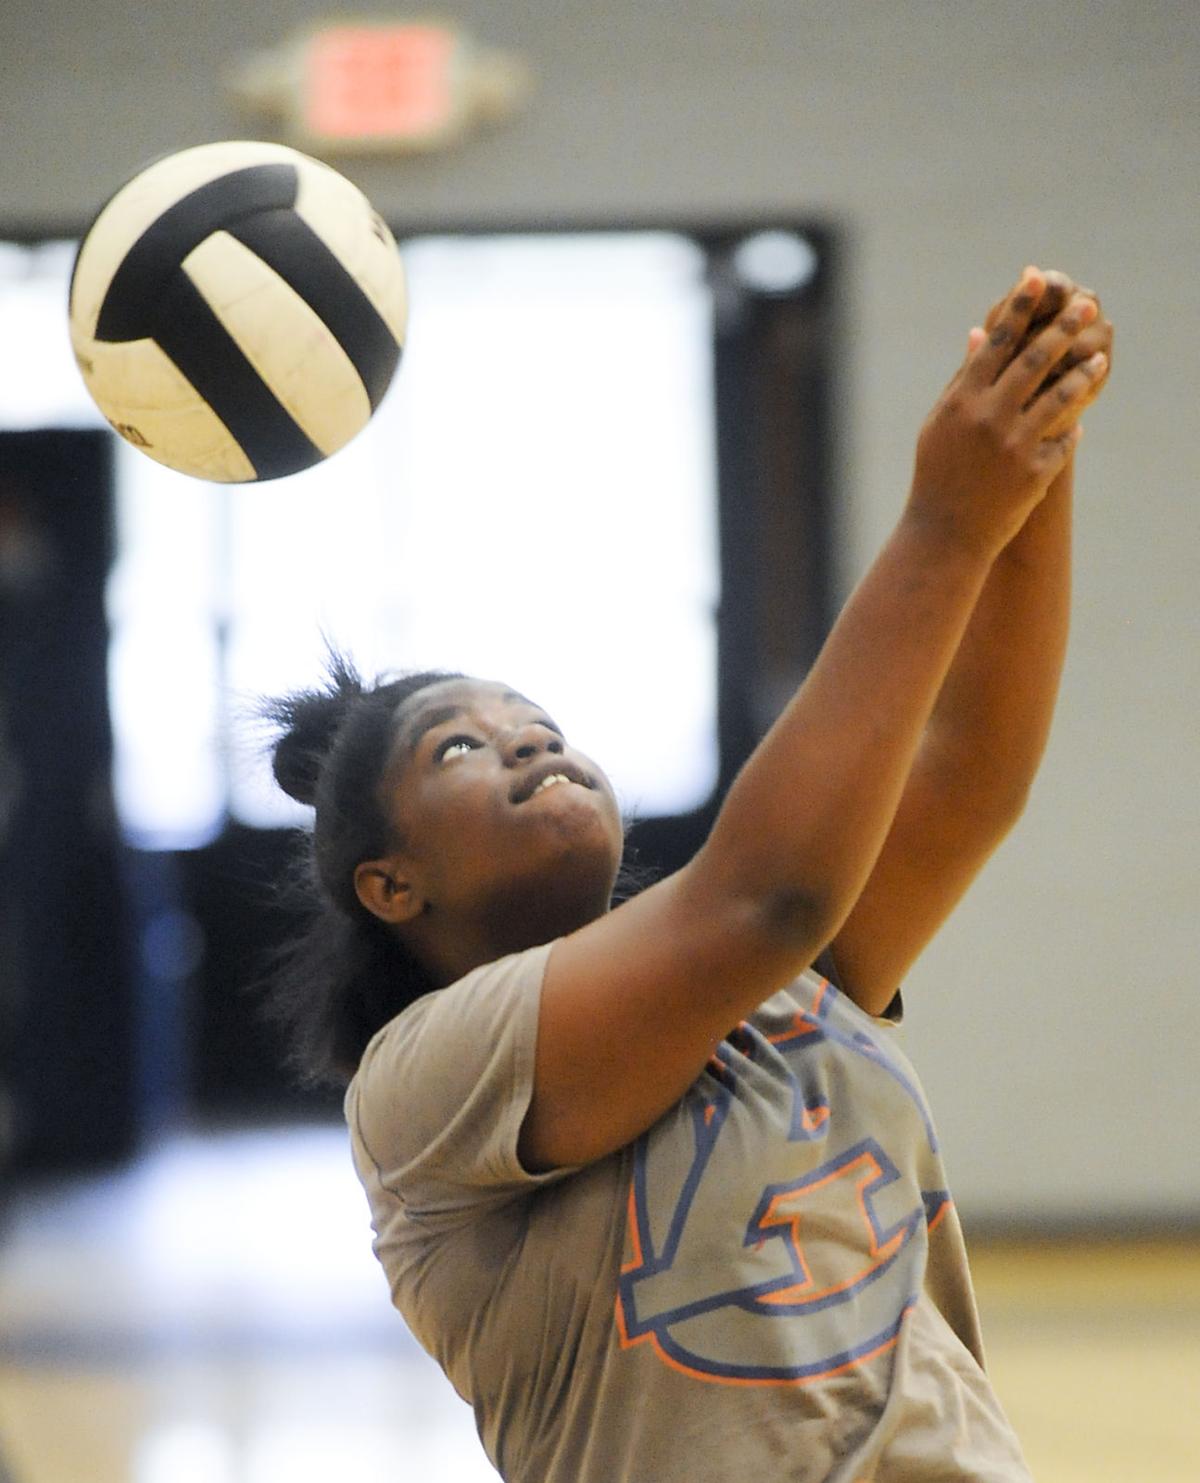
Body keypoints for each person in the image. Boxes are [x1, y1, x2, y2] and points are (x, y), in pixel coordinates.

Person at [263, 266, 1112, 1481]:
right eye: (460, 744)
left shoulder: (777, 978)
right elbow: (765, 893)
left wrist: (1035, 458)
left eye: (537, 719)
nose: (530, 739)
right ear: (389, 884)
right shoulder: (426, 1081)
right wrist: (944, 522)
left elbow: (971, 771)